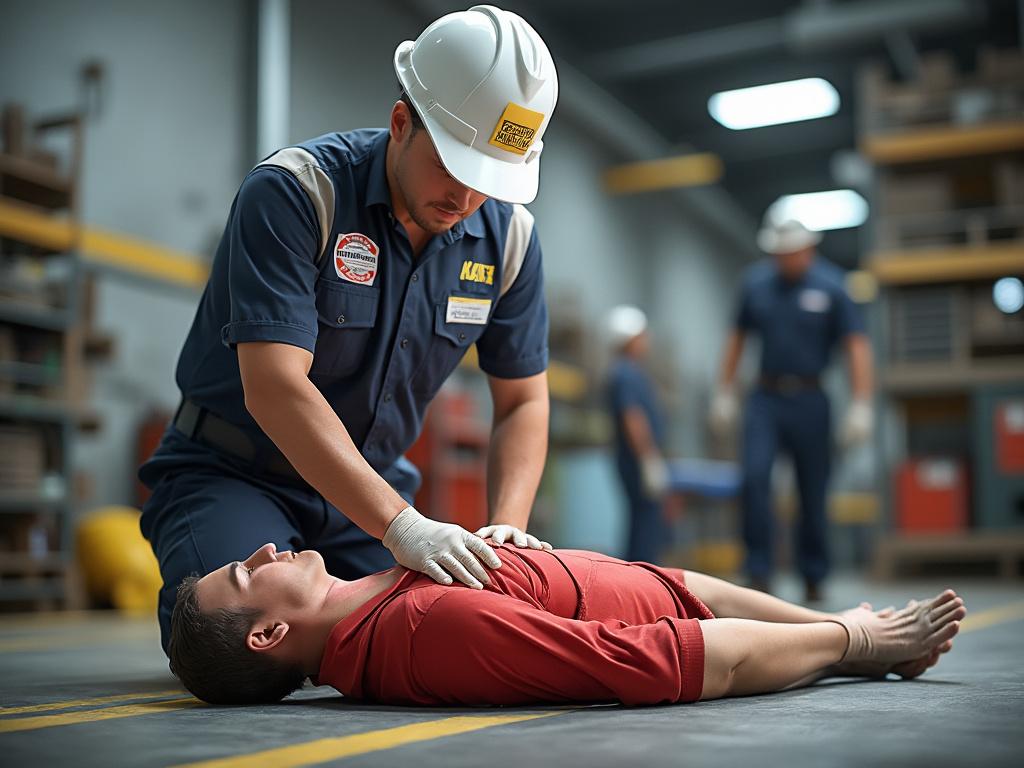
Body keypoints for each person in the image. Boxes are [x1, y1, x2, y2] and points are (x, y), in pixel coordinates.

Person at [138, 5, 560, 653]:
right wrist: (402, 528)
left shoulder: (508, 241)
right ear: (401, 123)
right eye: (453, 169)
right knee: (231, 642)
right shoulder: (298, 194)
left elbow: (524, 399)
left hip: (369, 494)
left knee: (443, 636)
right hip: (235, 473)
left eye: (489, 182)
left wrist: (507, 529)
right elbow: (275, 386)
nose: (467, 200)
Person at [168, 541, 964, 706]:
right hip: (698, 625)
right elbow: (667, 659)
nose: (265, 548)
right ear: (269, 635)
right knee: (853, 638)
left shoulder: (380, 595)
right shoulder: (420, 629)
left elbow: (687, 595)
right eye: (247, 572)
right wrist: (851, 641)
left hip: (681, 588)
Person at [710, 219, 874, 602]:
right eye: (778, 254)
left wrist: (862, 403)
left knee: (812, 489)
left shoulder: (832, 287)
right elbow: (737, 338)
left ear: (808, 250)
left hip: (812, 400)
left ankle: (814, 575)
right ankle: (758, 571)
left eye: (790, 253)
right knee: (753, 478)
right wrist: (724, 391)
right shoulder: (755, 285)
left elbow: (856, 345)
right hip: (765, 399)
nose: (784, 261)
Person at [606, 306, 671, 563]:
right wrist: (647, 458)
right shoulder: (626, 374)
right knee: (645, 522)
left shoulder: (627, 372)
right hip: (635, 460)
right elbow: (632, 417)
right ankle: (643, 575)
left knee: (642, 520)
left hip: (633, 458)